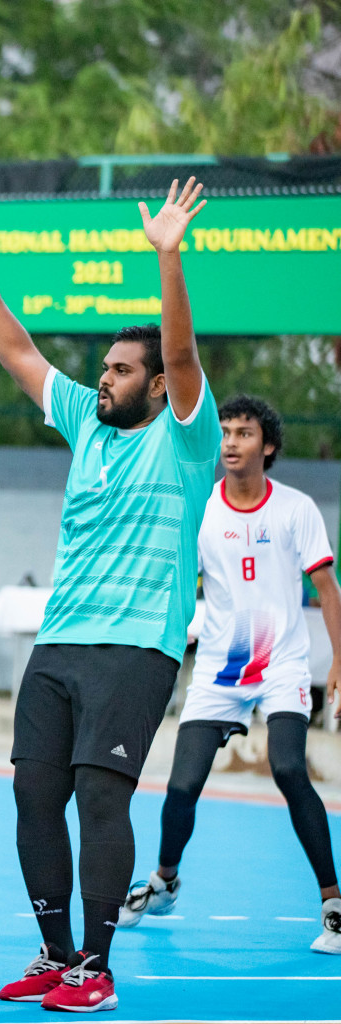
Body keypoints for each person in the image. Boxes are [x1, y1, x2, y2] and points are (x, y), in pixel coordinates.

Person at [0, 179, 220, 1013]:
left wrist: (167, 258)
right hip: (61, 642)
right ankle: (56, 953)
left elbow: (180, 357)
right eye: (103, 367)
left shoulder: (186, 437)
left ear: (152, 384)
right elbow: (15, 349)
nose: (102, 378)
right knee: (36, 794)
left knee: (102, 797)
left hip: (139, 645)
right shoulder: (86, 421)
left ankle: (95, 969)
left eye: (118, 370)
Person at [117, 395, 341, 953]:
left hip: (282, 665)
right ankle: (164, 882)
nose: (232, 442)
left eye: (244, 433)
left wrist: (340, 660)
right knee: (182, 786)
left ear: (267, 446)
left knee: (290, 768)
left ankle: (334, 904)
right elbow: (175, 587)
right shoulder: (202, 509)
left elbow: (328, 590)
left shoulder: (295, 509)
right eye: (225, 433)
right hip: (219, 669)